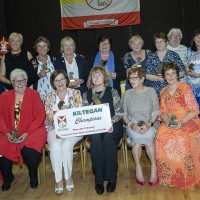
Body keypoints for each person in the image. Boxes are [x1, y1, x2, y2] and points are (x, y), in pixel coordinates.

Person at [0, 69, 47, 191]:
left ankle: (33, 176)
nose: (20, 84)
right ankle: (8, 177)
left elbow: (40, 116)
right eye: (16, 81)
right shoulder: (4, 96)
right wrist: (6, 133)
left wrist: (26, 133)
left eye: (23, 80)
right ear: (12, 83)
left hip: (32, 131)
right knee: (2, 152)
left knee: (30, 153)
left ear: (26, 81)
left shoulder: (34, 94)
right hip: (10, 131)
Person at [155, 62, 200, 189]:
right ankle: (167, 175)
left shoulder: (185, 88)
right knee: (161, 136)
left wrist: (182, 122)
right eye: (167, 74)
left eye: (173, 73)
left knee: (182, 137)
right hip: (170, 120)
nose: (170, 76)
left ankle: (188, 176)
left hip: (188, 119)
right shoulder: (163, 91)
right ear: (164, 77)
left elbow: (194, 110)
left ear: (177, 74)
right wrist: (167, 121)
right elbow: (162, 111)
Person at [82, 66, 123, 195]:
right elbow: (83, 115)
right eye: (94, 76)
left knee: (108, 138)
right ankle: (99, 180)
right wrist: (88, 109)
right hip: (95, 126)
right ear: (91, 79)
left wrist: (111, 121)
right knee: (96, 139)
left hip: (113, 124)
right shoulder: (86, 94)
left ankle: (112, 178)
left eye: (99, 75)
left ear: (104, 77)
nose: (96, 77)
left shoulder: (113, 91)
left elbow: (120, 112)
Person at [44, 69, 83, 194]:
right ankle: (58, 180)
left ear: (67, 80)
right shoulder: (49, 97)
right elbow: (46, 121)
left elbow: (80, 116)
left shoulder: (76, 93)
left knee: (66, 146)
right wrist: (49, 118)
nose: (60, 82)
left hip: (74, 129)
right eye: (56, 80)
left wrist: (70, 110)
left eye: (62, 79)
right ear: (53, 83)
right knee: (55, 146)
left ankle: (68, 177)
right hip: (55, 128)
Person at [122, 67, 159, 186]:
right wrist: (131, 125)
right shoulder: (127, 94)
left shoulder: (151, 91)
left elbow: (156, 112)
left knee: (148, 138)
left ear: (142, 79)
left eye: (135, 78)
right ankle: (138, 168)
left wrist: (148, 124)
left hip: (150, 123)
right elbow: (123, 114)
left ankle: (154, 167)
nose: (131, 81)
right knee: (137, 140)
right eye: (130, 78)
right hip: (133, 124)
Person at [145, 32, 185, 98]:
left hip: (174, 91)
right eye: (156, 42)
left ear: (166, 43)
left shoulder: (173, 55)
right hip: (156, 93)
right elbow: (147, 75)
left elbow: (182, 72)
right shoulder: (151, 57)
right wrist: (163, 78)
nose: (159, 44)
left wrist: (169, 77)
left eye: (161, 41)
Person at [30, 36, 55, 103]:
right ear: (36, 49)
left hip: (54, 94)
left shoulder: (54, 60)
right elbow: (29, 80)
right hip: (39, 97)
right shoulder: (32, 62)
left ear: (48, 48)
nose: (42, 48)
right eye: (39, 46)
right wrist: (38, 76)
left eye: (44, 46)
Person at [185, 28, 200, 107]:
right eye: (197, 36)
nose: (199, 38)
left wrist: (197, 75)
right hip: (190, 89)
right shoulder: (188, 50)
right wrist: (187, 71)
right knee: (192, 114)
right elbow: (186, 67)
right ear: (194, 38)